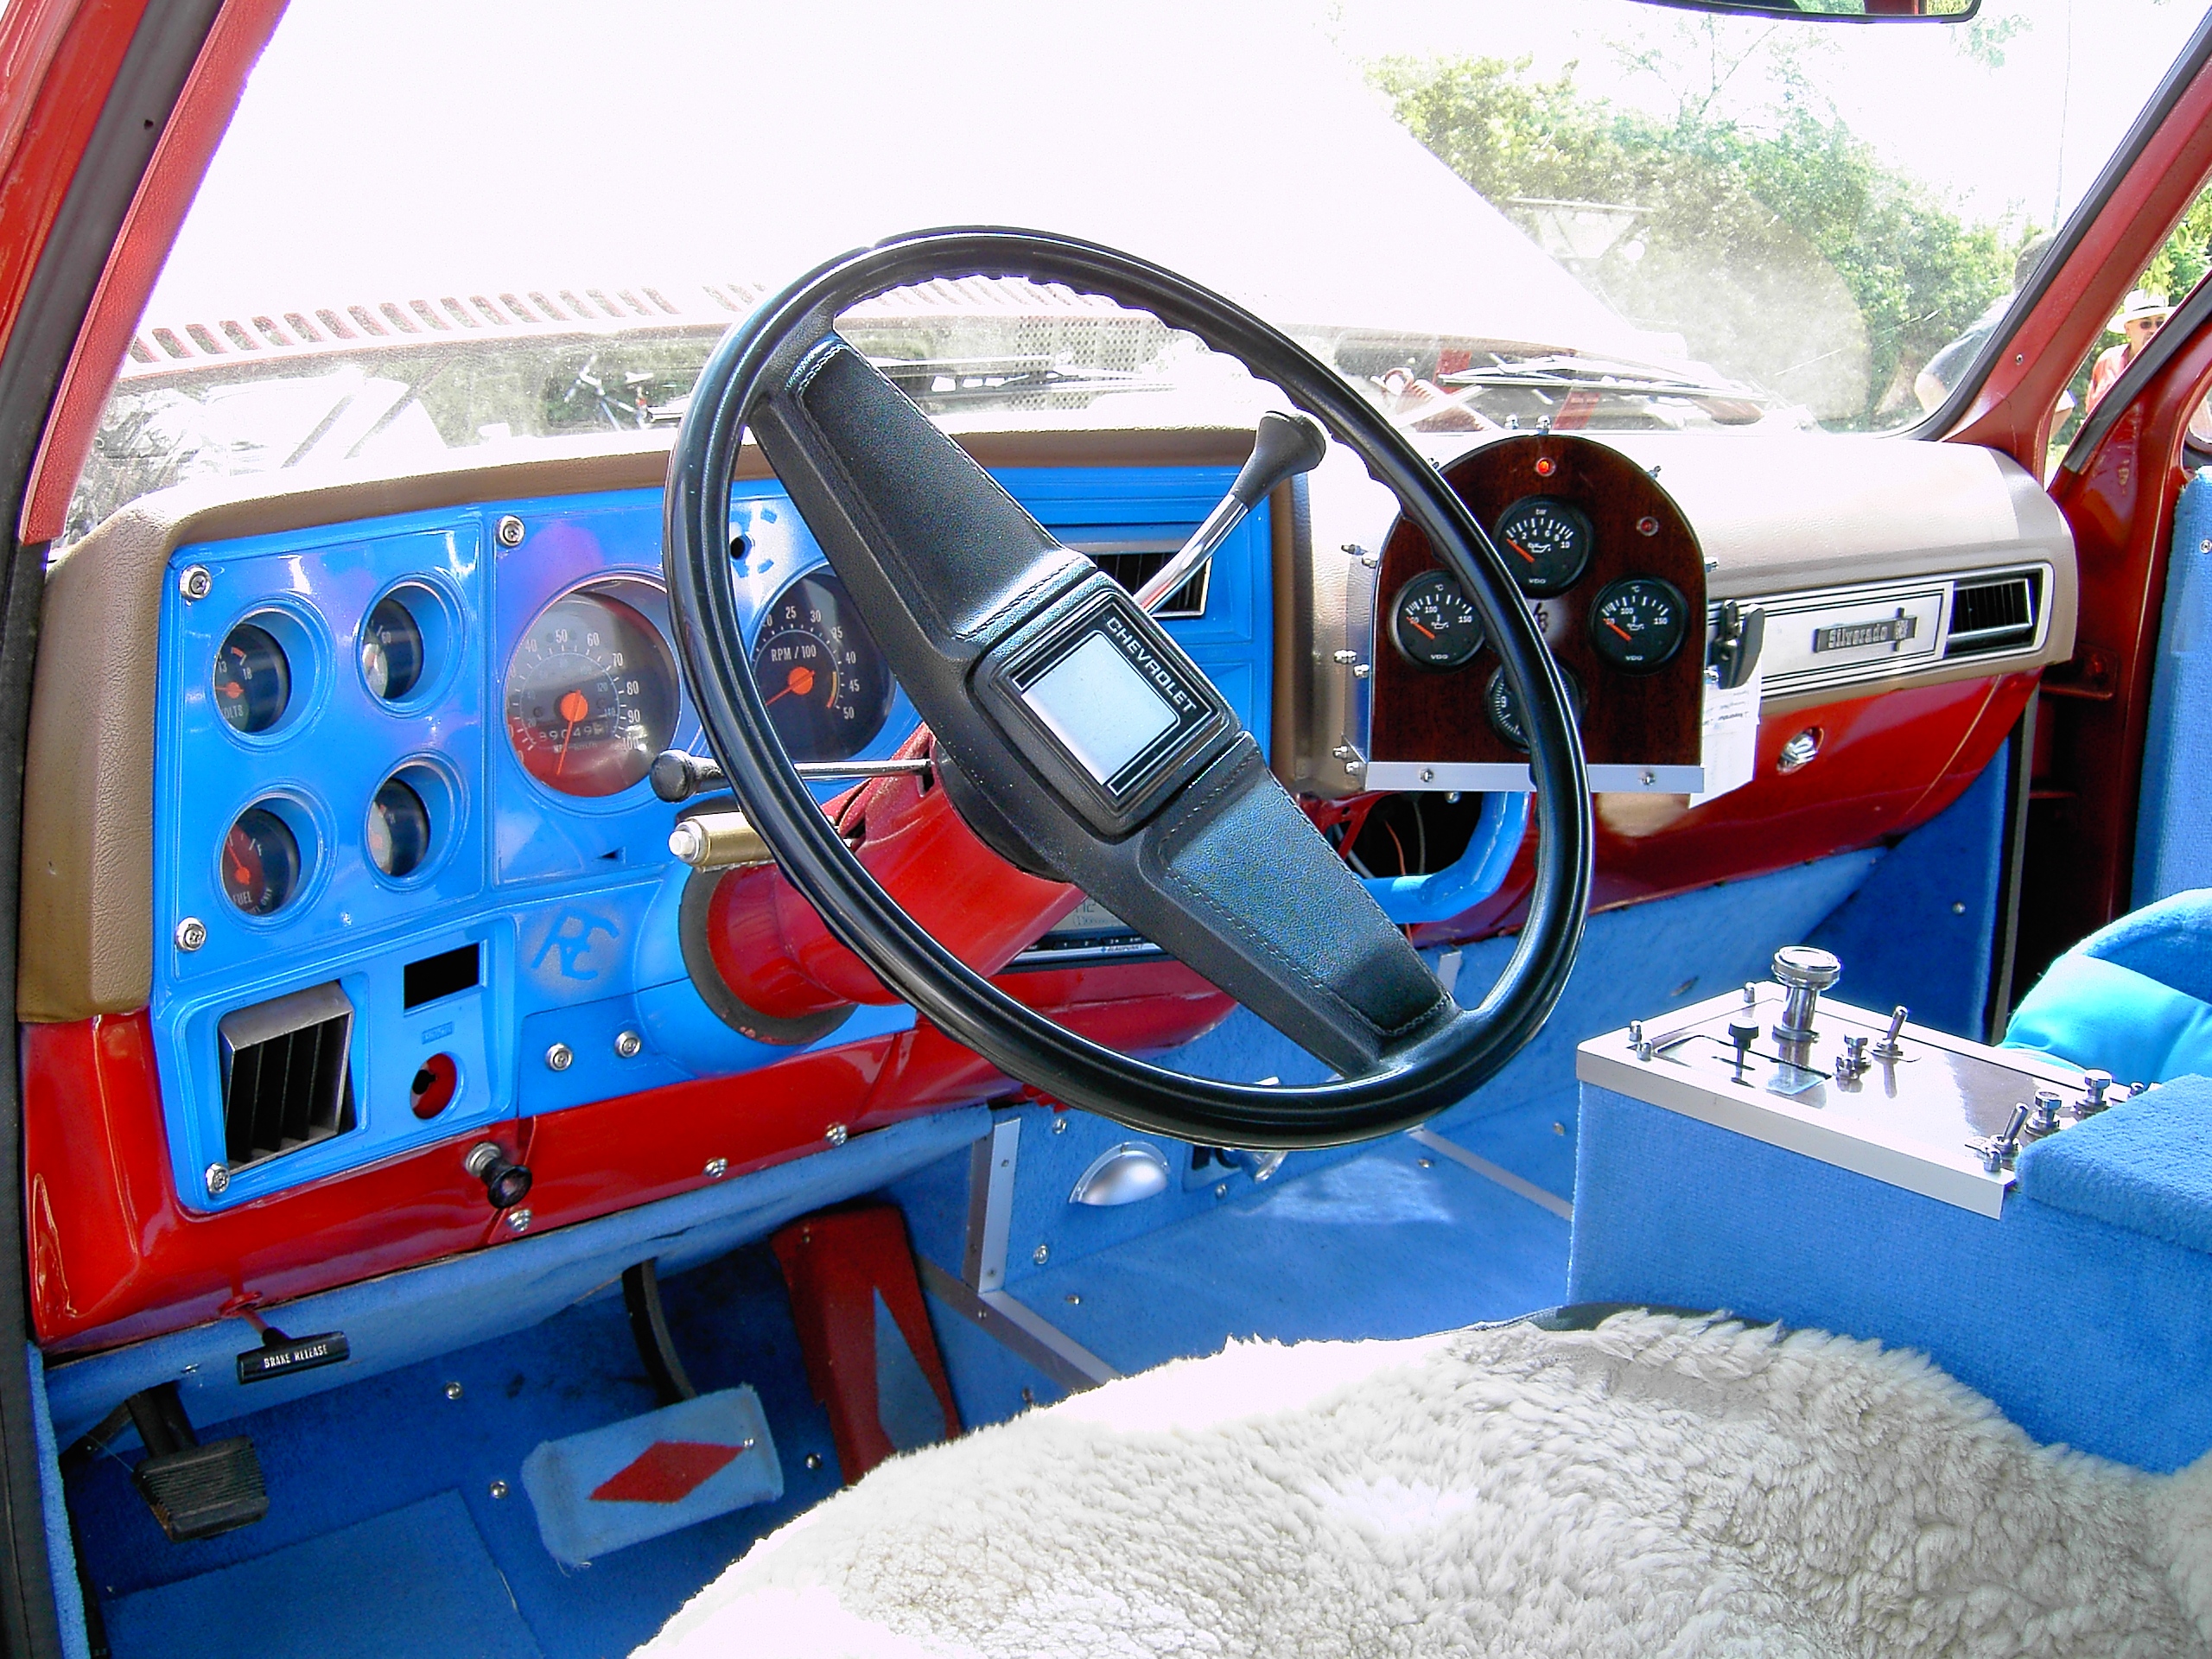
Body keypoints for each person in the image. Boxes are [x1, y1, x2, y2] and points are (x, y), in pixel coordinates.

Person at [1915, 232, 2060, 412]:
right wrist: (1966, 430)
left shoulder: (2032, 328)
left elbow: (2063, 407)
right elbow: (1928, 383)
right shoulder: (2000, 326)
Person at [2088, 289, 2176, 411]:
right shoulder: (2108, 360)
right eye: (2145, 324)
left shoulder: (2176, 359)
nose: (2154, 330)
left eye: (2160, 323)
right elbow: (2093, 410)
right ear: (2128, 329)